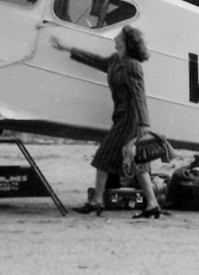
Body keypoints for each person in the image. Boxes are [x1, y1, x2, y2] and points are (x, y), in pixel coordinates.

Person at [51, 26, 165, 219]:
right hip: (122, 117)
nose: (115, 38)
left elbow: (139, 95)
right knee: (137, 163)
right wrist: (67, 48)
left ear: (126, 42)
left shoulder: (132, 65)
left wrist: (144, 124)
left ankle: (97, 200)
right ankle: (152, 204)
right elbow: (95, 60)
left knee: (104, 156)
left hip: (131, 120)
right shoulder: (116, 60)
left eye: (119, 36)